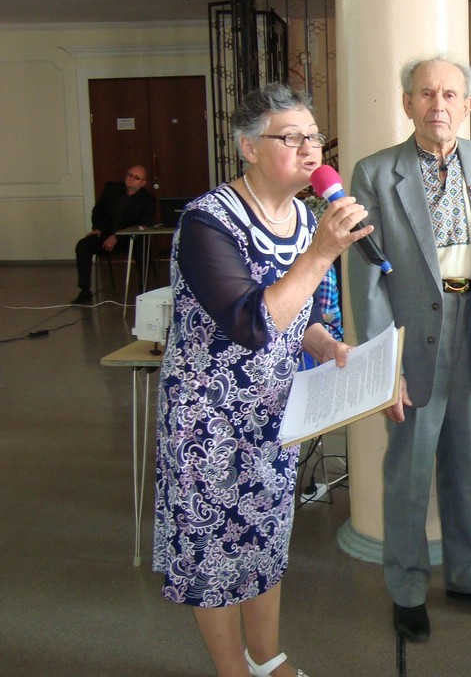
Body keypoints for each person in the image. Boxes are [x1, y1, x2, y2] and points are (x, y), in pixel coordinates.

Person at [153, 84, 369, 677]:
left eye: (314, 136)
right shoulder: (207, 221)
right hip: (208, 419)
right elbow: (252, 322)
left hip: (274, 412)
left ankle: (267, 658)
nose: (310, 149)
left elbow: (304, 316)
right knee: (215, 553)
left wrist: (327, 342)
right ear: (248, 147)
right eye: (291, 136)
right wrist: (322, 253)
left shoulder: (303, 215)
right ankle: (232, 670)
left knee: (266, 537)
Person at [349, 55, 471, 643]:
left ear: (468, 105)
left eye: (451, 94)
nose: (439, 104)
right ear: (408, 103)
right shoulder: (375, 173)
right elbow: (367, 279)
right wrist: (382, 368)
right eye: (427, 93)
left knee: (469, 464)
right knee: (410, 467)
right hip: (409, 335)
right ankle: (405, 587)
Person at [72, 164, 155, 303]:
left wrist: (118, 236)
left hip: (130, 239)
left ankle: (144, 289)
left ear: (143, 183)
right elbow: (98, 210)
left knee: (143, 246)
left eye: (136, 177)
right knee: (83, 245)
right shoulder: (111, 189)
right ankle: (84, 291)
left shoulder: (148, 200)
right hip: (105, 235)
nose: (131, 179)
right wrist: (97, 227)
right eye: (129, 175)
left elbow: (143, 225)